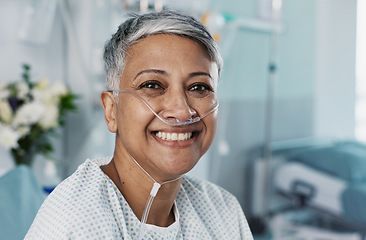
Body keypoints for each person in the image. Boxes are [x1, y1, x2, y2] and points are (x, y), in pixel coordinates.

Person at [25, 10, 253, 239]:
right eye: (152, 85)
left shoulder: (223, 211)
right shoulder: (77, 221)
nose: (182, 111)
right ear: (111, 110)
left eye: (199, 87)